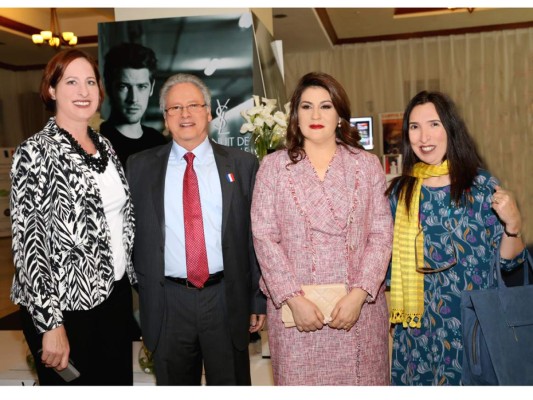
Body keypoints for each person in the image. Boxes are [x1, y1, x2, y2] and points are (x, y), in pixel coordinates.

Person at [251, 72, 393, 385]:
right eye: (306, 106)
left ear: (339, 114)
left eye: (325, 106)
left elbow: (381, 236)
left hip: (358, 313)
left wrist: (358, 295)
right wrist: (292, 298)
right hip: (298, 315)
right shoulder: (273, 167)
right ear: (295, 115)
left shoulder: (366, 165)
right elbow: (264, 237)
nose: (316, 115)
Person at [126, 73, 266, 385]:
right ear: (165, 117)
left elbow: (254, 237)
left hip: (226, 299)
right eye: (175, 108)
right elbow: (129, 236)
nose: (185, 114)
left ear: (209, 112)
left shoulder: (242, 165)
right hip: (168, 303)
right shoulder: (139, 167)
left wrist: (257, 298)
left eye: (193, 105)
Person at [9, 49, 136, 385]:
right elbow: (29, 247)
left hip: (114, 298)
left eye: (90, 82)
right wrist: (50, 325)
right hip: (66, 308)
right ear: (51, 90)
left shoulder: (105, 147)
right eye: (72, 81)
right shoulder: (34, 152)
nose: (83, 91)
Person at [386, 90, 527, 385]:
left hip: (474, 328)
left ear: (450, 129)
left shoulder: (480, 186)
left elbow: (510, 264)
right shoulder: (400, 193)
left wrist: (514, 225)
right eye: (414, 126)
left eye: (434, 124)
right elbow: (387, 269)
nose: (424, 136)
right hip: (417, 335)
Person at [100, 42, 167, 167]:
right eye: (124, 87)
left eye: (142, 87)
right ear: (108, 88)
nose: (133, 99)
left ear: (151, 88)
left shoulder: (158, 142)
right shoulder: (97, 142)